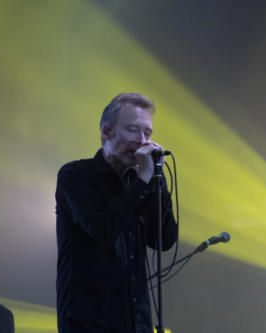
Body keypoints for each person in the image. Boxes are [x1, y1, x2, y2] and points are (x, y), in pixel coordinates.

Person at [55, 92, 178, 333]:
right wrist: (143, 180)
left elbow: (164, 239)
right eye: (133, 130)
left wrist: (156, 182)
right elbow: (103, 229)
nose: (143, 141)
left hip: (136, 323)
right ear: (106, 131)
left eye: (148, 133)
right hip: (89, 323)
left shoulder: (141, 180)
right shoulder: (76, 175)